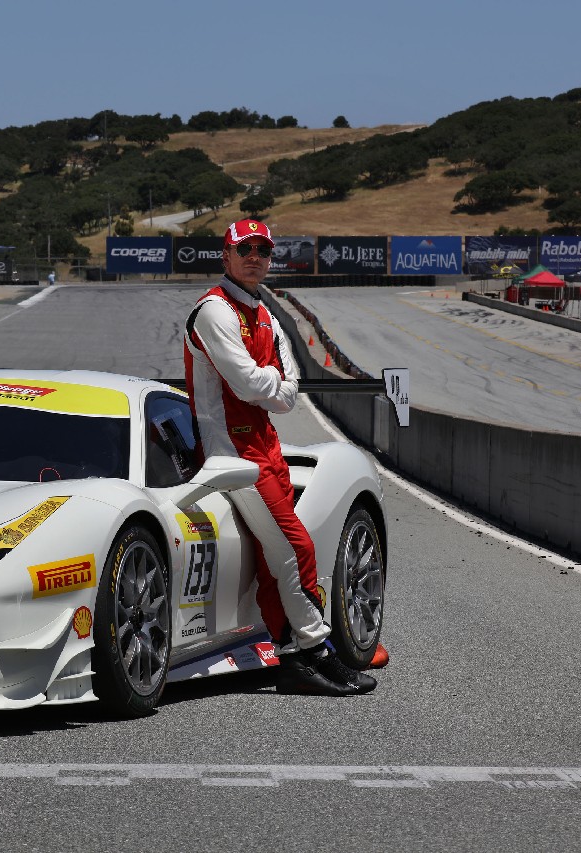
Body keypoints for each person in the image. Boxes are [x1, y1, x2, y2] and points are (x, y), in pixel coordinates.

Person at [182, 219, 376, 696]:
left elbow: (289, 394)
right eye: (243, 249)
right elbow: (251, 384)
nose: (254, 258)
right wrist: (273, 381)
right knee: (295, 548)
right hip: (230, 451)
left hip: (265, 442)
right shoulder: (214, 311)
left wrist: (272, 382)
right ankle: (313, 650)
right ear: (224, 257)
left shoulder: (264, 312)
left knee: (276, 558)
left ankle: (285, 648)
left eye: (263, 251)